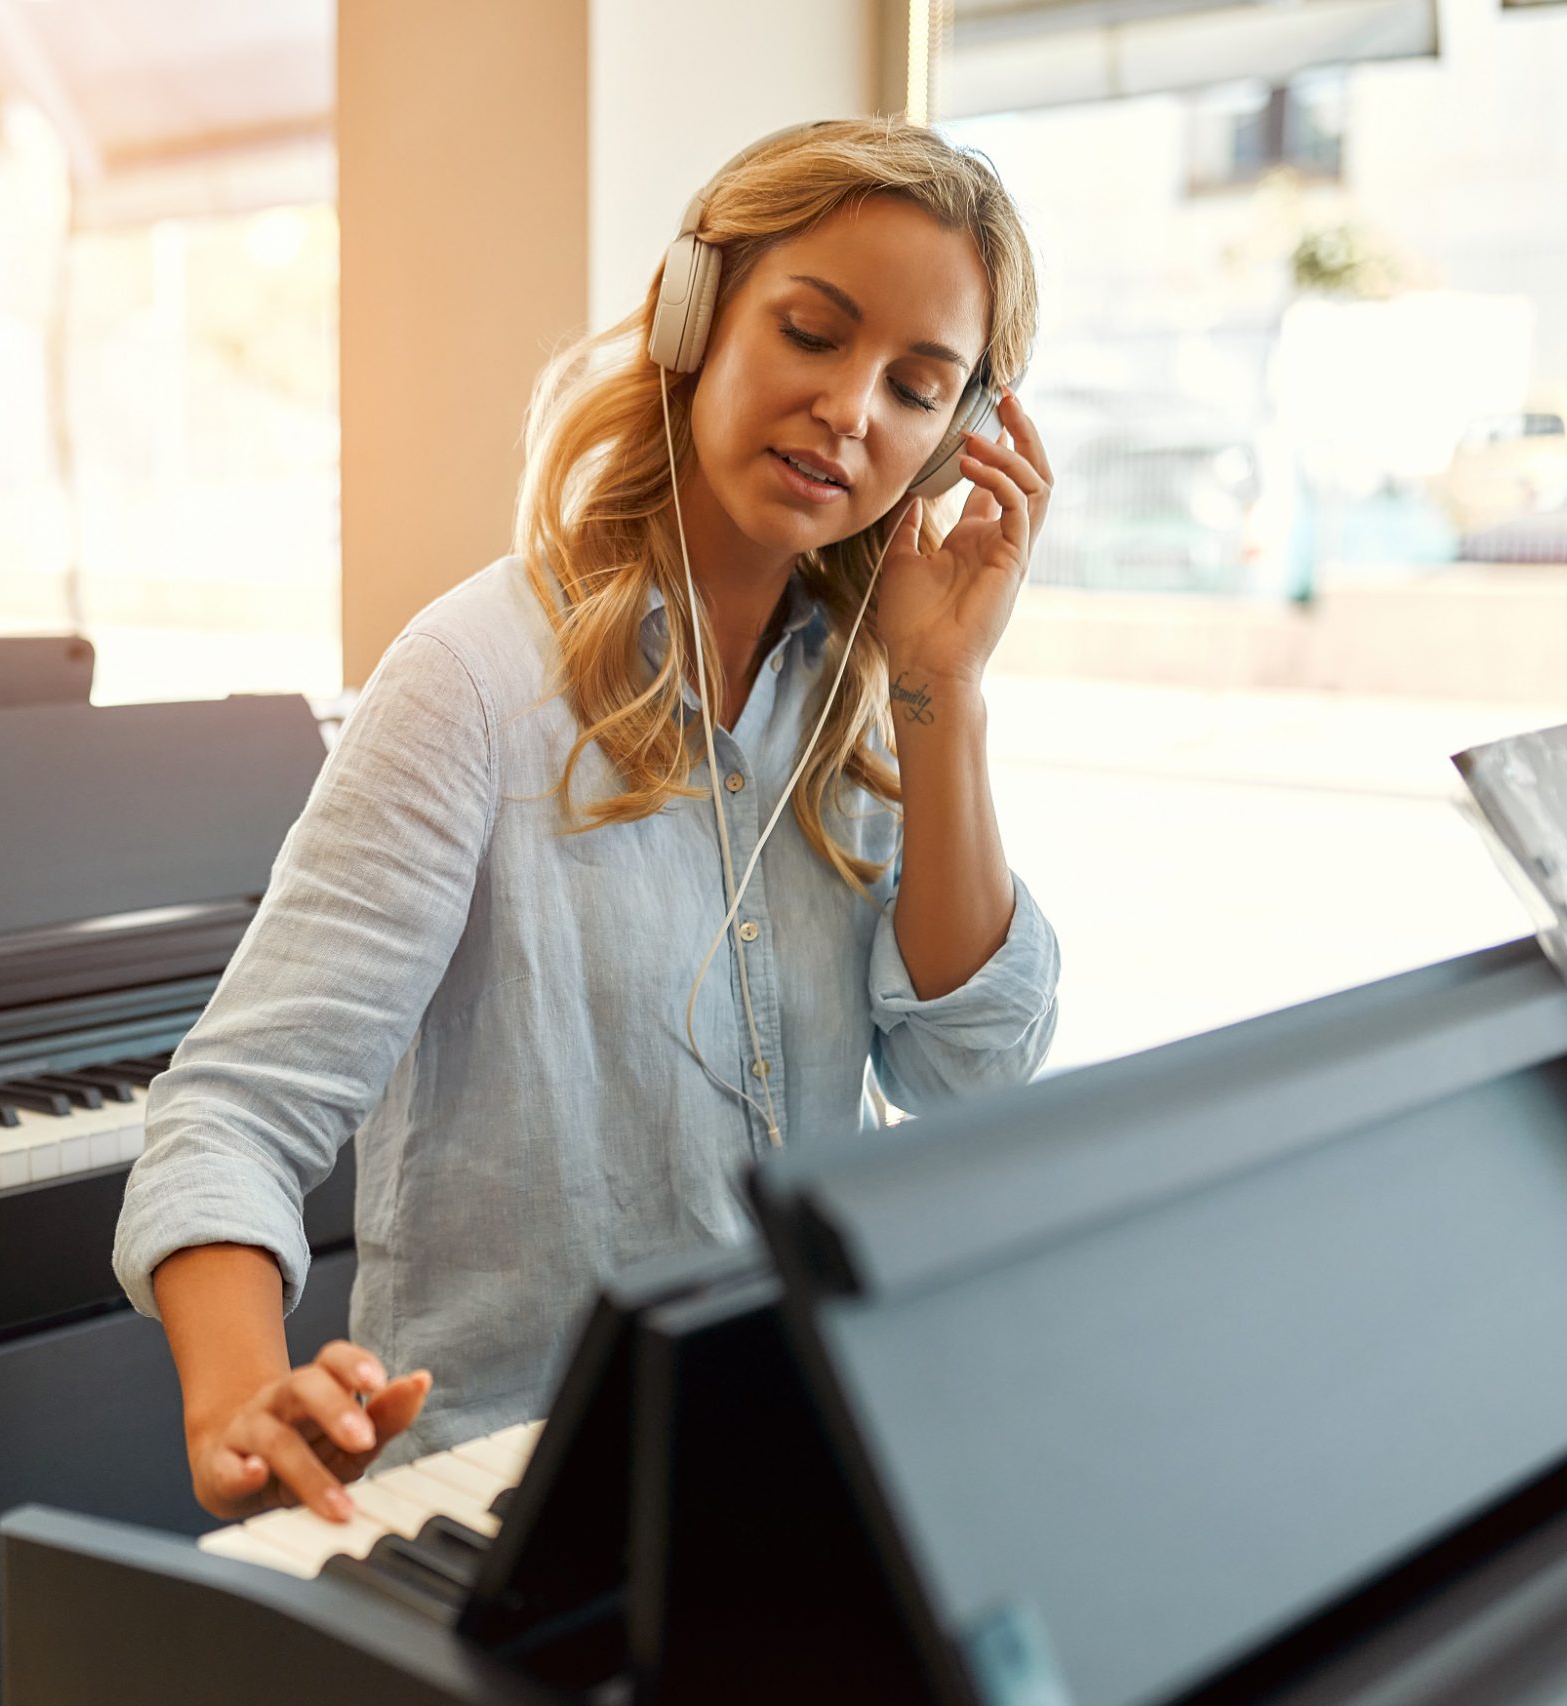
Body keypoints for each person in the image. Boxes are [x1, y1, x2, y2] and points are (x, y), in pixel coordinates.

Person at [113, 116, 1063, 1524]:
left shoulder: (871, 698)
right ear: (695, 314)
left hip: (806, 1457)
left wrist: (945, 691)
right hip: (518, 1497)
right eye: (813, 332)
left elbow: (970, 1078)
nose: (855, 411)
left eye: (917, 388)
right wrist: (239, 1391)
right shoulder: (475, 680)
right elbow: (230, 1114)